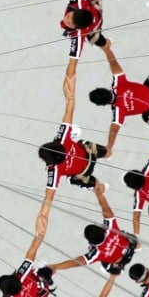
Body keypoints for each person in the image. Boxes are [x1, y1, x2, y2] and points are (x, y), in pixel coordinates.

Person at [35, 61, 106, 239]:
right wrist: (70, 78)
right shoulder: (63, 138)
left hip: (83, 171)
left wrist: (41, 220)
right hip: (89, 152)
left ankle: (96, 185)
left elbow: (48, 200)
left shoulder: (54, 171)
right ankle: (106, 156)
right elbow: (70, 104)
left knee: (92, 184)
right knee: (101, 150)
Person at [89, 41, 149, 157]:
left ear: (102, 105)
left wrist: (109, 147)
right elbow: (113, 64)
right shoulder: (118, 84)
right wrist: (106, 49)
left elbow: (114, 130)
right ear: (105, 89)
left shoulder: (117, 111)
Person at [47, 183, 139, 274]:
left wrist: (55, 267)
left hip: (117, 264)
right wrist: (98, 193)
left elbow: (77, 262)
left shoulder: (96, 254)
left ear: (91, 242)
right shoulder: (110, 228)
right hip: (129, 250)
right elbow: (106, 209)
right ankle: (138, 246)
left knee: (108, 267)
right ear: (102, 230)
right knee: (130, 238)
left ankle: (116, 268)